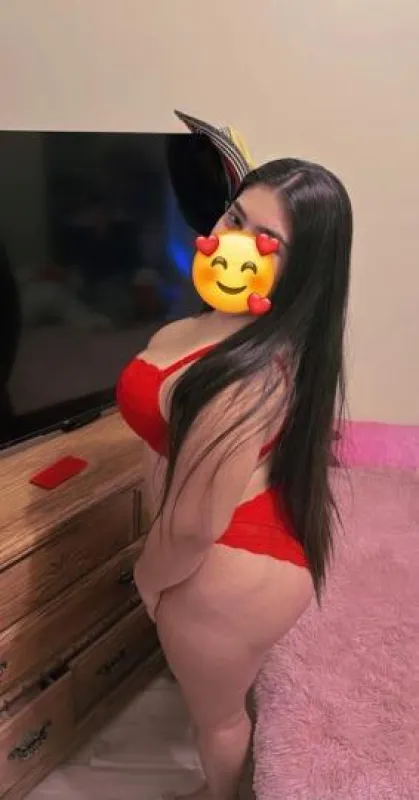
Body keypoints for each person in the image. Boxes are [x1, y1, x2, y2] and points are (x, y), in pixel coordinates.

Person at [117, 157, 352, 800]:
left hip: (231, 565)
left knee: (217, 718)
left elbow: (194, 525)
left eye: (267, 241)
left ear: (301, 270)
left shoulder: (250, 378)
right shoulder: (223, 327)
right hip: (238, 543)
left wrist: (147, 578)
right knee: (215, 701)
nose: (236, 243)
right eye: (235, 217)